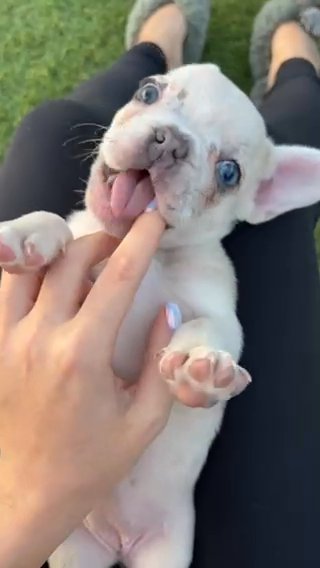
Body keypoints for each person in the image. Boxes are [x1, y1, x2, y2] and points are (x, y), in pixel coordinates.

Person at [0, 0, 320, 566]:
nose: (167, 142)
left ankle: (157, 43)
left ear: (262, 197)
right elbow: (64, 237)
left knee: (49, 130)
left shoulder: (206, 272)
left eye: (227, 172)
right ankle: (296, 57)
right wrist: (41, 233)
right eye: (151, 96)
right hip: (74, 515)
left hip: (151, 518)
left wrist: (205, 352)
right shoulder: (79, 226)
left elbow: (215, 326)